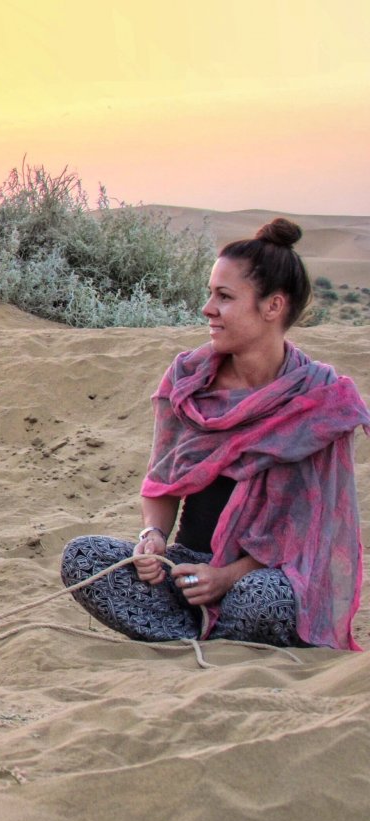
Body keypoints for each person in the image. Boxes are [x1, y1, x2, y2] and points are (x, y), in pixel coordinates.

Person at [61, 218, 370, 650]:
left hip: (262, 576)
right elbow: (163, 480)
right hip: (186, 572)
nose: (208, 308)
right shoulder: (188, 380)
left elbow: (307, 532)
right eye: (210, 294)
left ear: (273, 306)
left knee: (263, 599)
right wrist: (152, 539)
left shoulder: (317, 400)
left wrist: (226, 577)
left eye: (224, 297)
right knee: (83, 557)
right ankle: (199, 635)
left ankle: (202, 636)